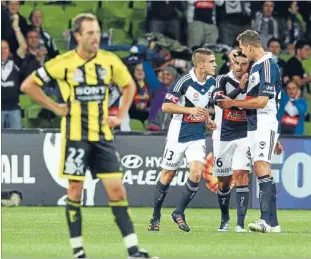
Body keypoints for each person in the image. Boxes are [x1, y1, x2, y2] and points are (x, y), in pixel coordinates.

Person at [20, 13, 156, 259]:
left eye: (98, 32)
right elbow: (28, 84)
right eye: (90, 33)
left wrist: (120, 114)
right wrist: (55, 107)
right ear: (77, 36)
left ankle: (134, 251)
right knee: (75, 191)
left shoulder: (109, 60)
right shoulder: (63, 62)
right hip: (76, 137)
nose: (96, 38)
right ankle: (78, 252)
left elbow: (129, 86)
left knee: (117, 192)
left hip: (102, 136)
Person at [218, 30, 282, 233]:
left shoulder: (267, 66)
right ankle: (273, 223)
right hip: (254, 124)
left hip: (264, 121)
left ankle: (265, 220)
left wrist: (232, 102)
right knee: (260, 167)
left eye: (243, 48)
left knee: (262, 166)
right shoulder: (256, 68)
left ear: (249, 47)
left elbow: (263, 101)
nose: (242, 51)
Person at [148, 48, 217, 232]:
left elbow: (202, 107)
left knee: (196, 173)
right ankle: (155, 216)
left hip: (197, 134)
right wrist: (190, 110)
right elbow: (166, 106)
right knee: (167, 175)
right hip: (178, 133)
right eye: (211, 61)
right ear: (201, 64)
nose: (215, 64)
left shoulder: (211, 82)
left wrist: (207, 120)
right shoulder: (183, 82)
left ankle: (179, 212)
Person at [211, 51, 251, 233]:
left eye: (244, 64)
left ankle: (240, 224)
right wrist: (240, 90)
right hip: (223, 136)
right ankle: (224, 218)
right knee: (224, 182)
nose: (240, 68)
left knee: (242, 174)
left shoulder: (254, 82)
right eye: (237, 63)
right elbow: (219, 101)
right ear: (232, 63)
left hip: (244, 134)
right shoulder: (222, 80)